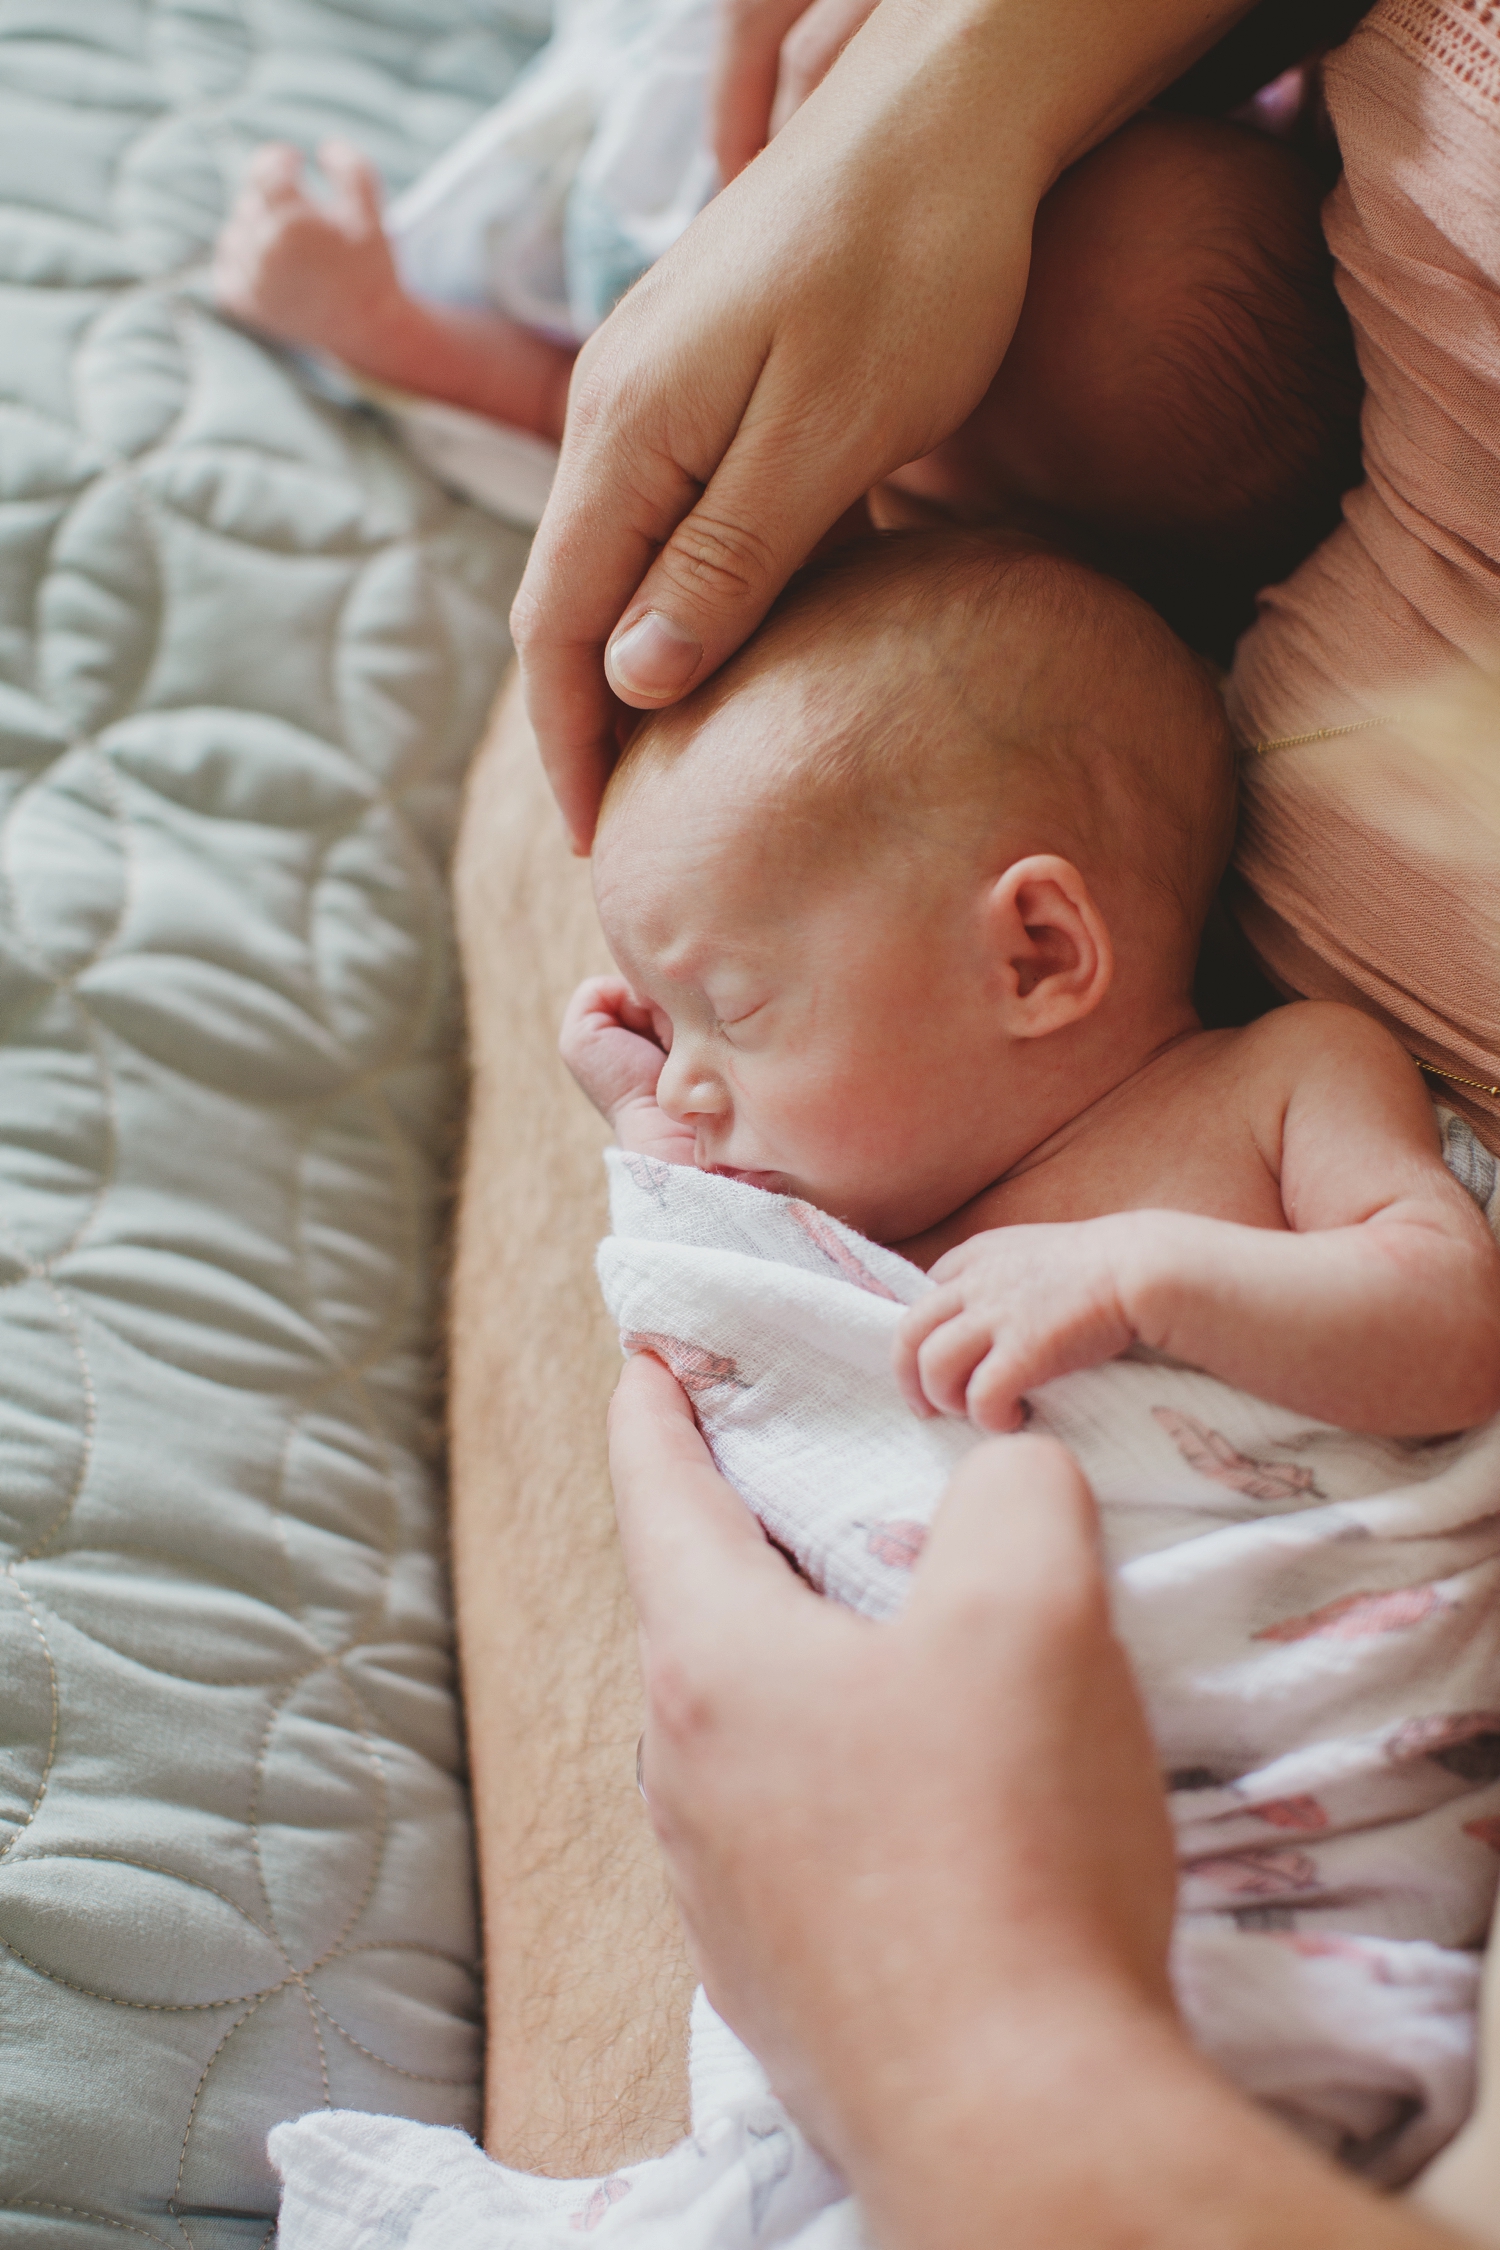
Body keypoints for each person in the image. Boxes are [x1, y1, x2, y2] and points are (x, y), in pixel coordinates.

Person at [448, 0, 1500, 2201]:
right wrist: (671, 1132)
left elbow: (1446, 1325)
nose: (696, 1057)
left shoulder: (1278, 1083)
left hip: (1265, 1830)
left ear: (1039, 952)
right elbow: (770, 1356)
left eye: (723, 1000)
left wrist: (1153, 1276)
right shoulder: (892, 1143)